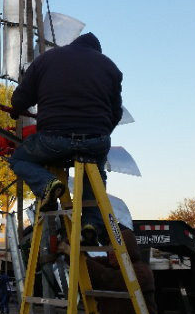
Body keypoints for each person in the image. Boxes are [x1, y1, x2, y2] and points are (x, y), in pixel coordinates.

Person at [7, 32, 123, 244]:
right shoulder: (110, 67)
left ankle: (47, 184)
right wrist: (97, 134)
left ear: (73, 43)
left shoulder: (47, 59)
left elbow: (21, 98)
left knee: (19, 159)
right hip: (96, 140)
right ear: (96, 52)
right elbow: (116, 114)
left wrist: (17, 109)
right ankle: (91, 222)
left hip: (53, 139)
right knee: (96, 171)